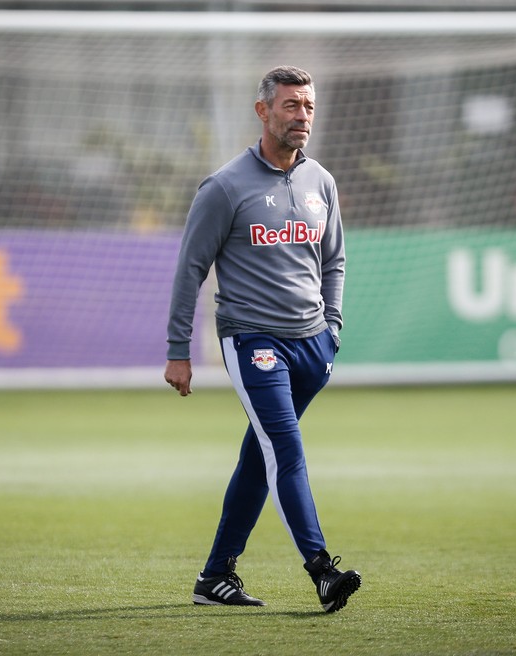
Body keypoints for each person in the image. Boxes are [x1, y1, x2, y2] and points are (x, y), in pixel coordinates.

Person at [164, 66, 361, 613]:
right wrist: (178, 351)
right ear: (263, 111)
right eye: (291, 106)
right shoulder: (225, 186)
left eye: (309, 107)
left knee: (261, 456)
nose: (302, 117)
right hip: (254, 343)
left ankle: (214, 577)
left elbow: (335, 261)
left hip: (312, 345)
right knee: (286, 449)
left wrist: (333, 328)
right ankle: (322, 570)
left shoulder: (321, 181)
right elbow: (190, 270)